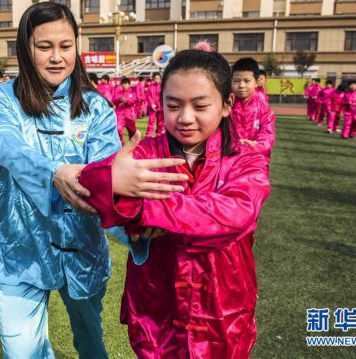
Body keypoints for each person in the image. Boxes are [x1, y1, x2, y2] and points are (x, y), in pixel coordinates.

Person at [0, 3, 187, 358]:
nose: (57, 57)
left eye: (66, 45)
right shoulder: (0, 98)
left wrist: (135, 224)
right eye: (44, 46)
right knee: (22, 352)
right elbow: (6, 145)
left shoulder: (96, 107)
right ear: (25, 49)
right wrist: (54, 173)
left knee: (91, 342)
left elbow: (107, 180)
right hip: (19, 252)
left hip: (82, 250)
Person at [79, 47, 271, 358]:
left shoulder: (244, 159)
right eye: (173, 105)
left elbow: (236, 214)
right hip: (157, 300)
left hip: (222, 305)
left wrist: (143, 209)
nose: (185, 118)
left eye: (200, 106)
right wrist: (113, 185)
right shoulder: (144, 153)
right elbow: (93, 184)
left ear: (226, 105)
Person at [230, 57, 276, 156]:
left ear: (256, 82)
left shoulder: (263, 107)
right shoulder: (225, 105)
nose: (241, 85)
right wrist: (233, 143)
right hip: (230, 156)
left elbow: (268, 135)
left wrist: (256, 145)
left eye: (247, 81)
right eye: (236, 81)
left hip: (256, 158)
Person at [113, 77, 138, 144]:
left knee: (133, 133)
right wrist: (119, 100)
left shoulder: (133, 93)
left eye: (126, 84)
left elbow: (133, 101)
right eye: (123, 84)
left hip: (130, 116)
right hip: (120, 115)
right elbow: (114, 100)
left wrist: (126, 101)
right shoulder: (118, 93)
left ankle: (132, 146)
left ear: (129, 84)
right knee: (118, 129)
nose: (124, 85)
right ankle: (121, 145)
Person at [146, 72, 164, 137]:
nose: (157, 80)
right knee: (151, 122)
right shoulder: (151, 86)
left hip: (161, 107)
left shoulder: (164, 86)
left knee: (161, 123)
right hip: (153, 107)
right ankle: (148, 136)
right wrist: (152, 104)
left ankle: (159, 136)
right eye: (155, 78)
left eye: (158, 78)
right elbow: (148, 96)